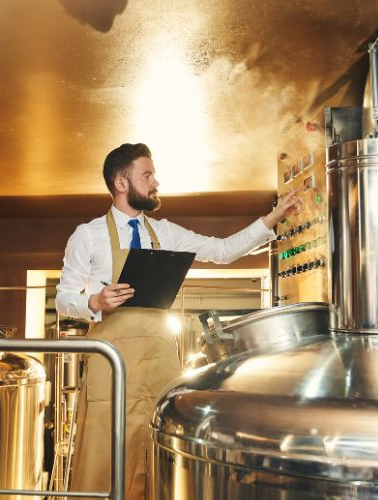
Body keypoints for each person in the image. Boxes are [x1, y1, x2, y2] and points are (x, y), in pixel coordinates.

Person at [55, 143, 302, 499]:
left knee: (159, 455)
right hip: (112, 365)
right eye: (147, 175)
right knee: (103, 459)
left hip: (159, 363)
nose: (156, 182)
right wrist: (94, 300)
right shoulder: (88, 235)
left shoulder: (166, 232)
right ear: (121, 183)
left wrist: (273, 218)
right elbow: (64, 299)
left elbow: (223, 250)